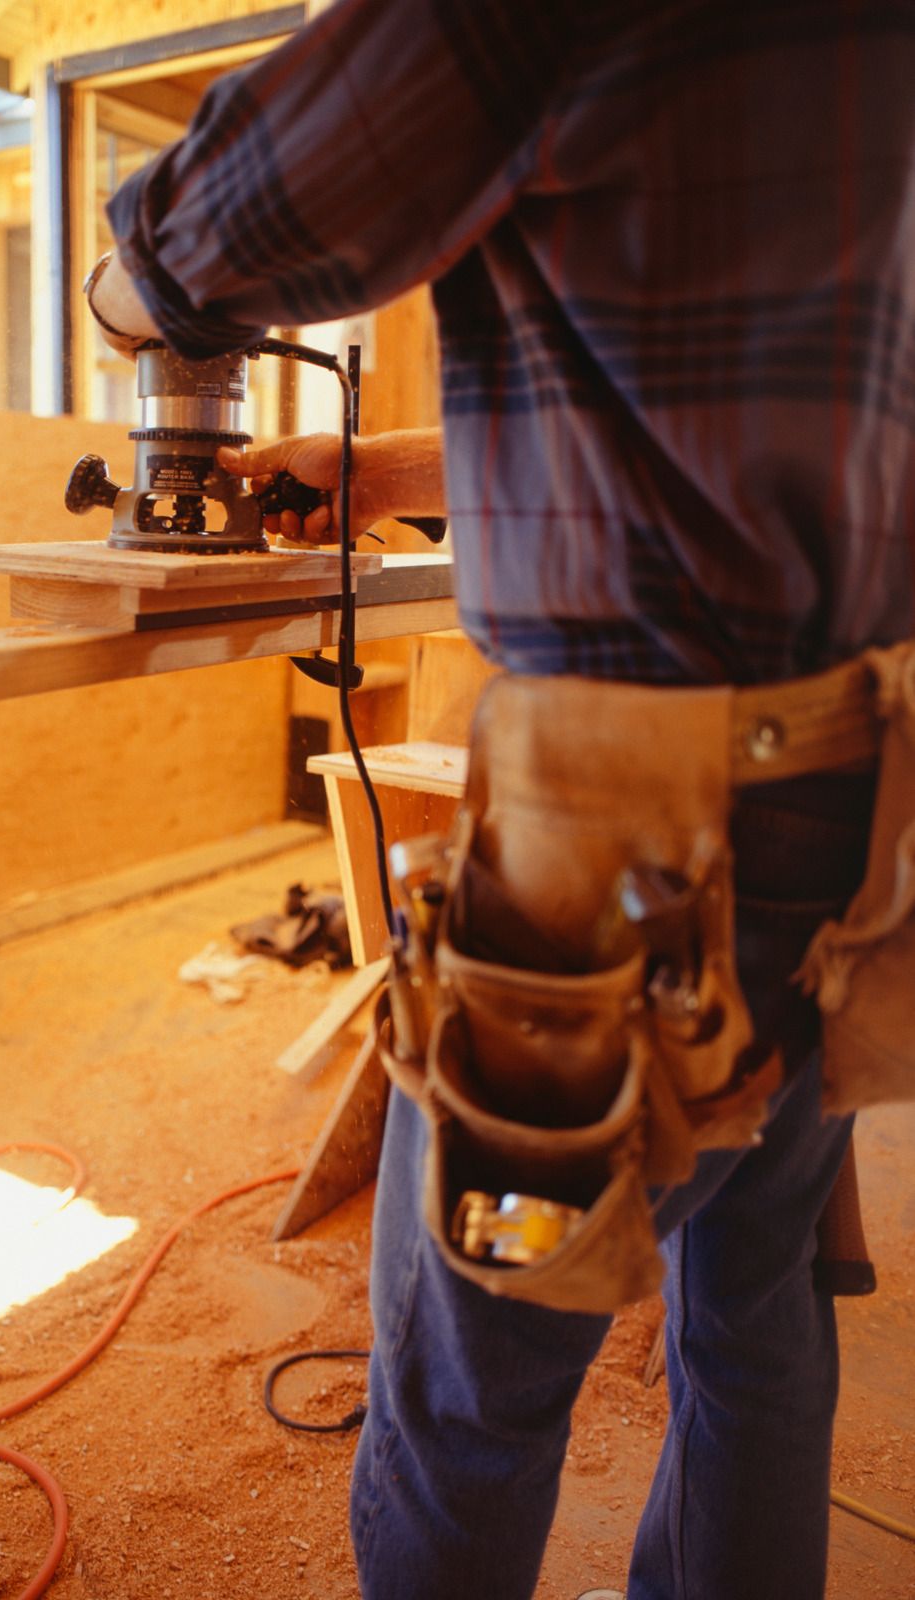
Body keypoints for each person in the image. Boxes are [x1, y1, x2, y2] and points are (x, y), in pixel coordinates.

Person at [86, 3, 915, 1596]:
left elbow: (214, 228)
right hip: (849, 812)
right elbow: (713, 410)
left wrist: (127, 303)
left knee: (475, 1382)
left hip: (623, 846)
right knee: (753, 1315)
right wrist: (385, 473)